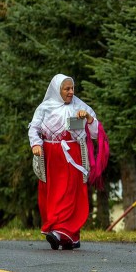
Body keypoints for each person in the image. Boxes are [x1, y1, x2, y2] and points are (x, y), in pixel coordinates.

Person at [28, 74, 109, 250]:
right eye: (67, 89)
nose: (71, 92)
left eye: (72, 88)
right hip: (51, 157)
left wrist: (88, 118)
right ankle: (69, 237)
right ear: (58, 90)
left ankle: (59, 231)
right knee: (52, 193)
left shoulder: (80, 106)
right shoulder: (45, 108)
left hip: (73, 157)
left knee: (70, 193)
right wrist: (36, 144)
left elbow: (95, 133)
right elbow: (33, 128)